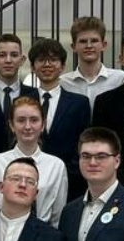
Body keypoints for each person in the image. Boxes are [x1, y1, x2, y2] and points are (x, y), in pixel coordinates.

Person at [0, 96, 67, 227]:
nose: (27, 126)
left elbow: (58, 217)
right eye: (21, 120)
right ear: (12, 125)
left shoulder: (56, 166)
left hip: (43, 233)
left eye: (34, 120)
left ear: (43, 125)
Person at [30, 37, 93, 198]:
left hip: (70, 181)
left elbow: (83, 142)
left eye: (53, 60)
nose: (47, 65)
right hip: (28, 179)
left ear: (63, 66)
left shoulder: (79, 103)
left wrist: (66, 172)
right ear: (32, 67)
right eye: (41, 60)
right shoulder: (22, 101)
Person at [58, 16, 124, 108]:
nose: (89, 46)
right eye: (83, 41)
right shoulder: (63, 83)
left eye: (94, 41)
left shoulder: (120, 79)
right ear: (73, 47)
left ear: (104, 45)